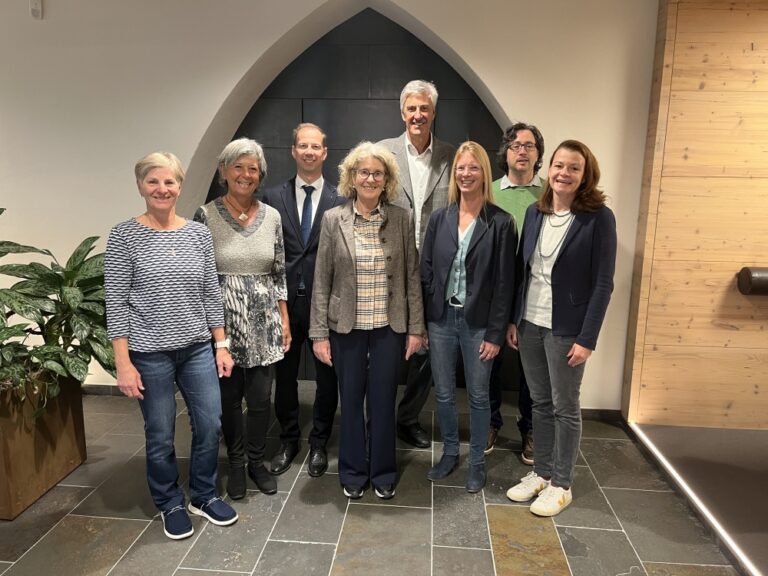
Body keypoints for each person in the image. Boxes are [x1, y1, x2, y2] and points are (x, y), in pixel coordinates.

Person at [105, 152, 238, 540]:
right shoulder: (124, 235)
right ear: (140, 186)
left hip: (197, 348)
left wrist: (222, 345)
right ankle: (169, 502)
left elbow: (210, 292)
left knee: (210, 423)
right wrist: (123, 363)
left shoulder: (197, 233)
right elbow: (115, 300)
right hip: (149, 353)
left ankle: (203, 494)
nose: (162, 189)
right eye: (153, 182)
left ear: (180, 186)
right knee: (160, 432)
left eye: (169, 182)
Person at [505, 140, 617, 516]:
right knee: (539, 402)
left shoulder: (598, 218)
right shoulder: (536, 213)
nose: (563, 173)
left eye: (573, 168)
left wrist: (588, 339)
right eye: (559, 166)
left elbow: (603, 284)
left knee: (565, 407)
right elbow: (524, 272)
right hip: (531, 323)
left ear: (585, 175)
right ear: (548, 169)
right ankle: (542, 472)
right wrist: (515, 319)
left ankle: (562, 483)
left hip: (567, 330)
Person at [309, 141, 425, 500]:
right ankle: (354, 471)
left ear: (386, 179)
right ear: (352, 177)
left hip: (389, 326)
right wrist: (318, 334)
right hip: (346, 327)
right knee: (351, 398)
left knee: (382, 400)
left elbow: (412, 276)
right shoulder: (333, 219)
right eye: (364, 172)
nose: (370, 178)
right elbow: (321, 279)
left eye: (377, 173)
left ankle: (384, 470)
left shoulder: (402, 218)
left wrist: (416, 329)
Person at [193, 138, 290, 499]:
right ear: (224, 172)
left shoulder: (273, 217)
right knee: (230, 399)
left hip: (265, 321)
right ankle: (235, 464)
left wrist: (284, 319)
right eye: (238, 167)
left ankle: (256, 462)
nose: (245, 175)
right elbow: (200, 274)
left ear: (260, 174)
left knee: (262, 399)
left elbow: (279, 271)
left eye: (252, 168)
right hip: (223, 324)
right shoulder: (205, 216)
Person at [421, 142, 517, 493]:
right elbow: (426, 270)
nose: (465, 174)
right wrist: (427, 318)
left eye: (473, 168)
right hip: (441, 320)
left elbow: (506, 284)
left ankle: (476, 461)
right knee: (443, 393)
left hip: (479, 325)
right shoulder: (439, 219)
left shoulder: (502, 224)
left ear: (483, 174)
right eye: (461, 168)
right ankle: (449, 453)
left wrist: (495, 334)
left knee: (478, 396)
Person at [262, 124, 345, 478]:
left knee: (328, 380)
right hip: (283, 305)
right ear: (293, 151)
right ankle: (289, 439)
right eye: (303, 146)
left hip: (325, 305)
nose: (309, 152)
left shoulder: (341, 199)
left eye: (316, 146)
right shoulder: (271, 197)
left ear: (325, 153)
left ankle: (319, 442)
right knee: (285, 377)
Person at [379, 79, 455, 449]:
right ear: (402, 112)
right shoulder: (381, 153)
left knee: (427, 349)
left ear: (434, 112)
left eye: (424, 108)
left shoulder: (452, 157)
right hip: (388, 268)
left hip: (434, 273)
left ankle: (408, 418)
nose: (418, 115)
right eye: (412, 108)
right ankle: (377, 416)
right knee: (385, 346)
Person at [485, 122, 545, 464]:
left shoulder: (550, 193)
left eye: (529, 145)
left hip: (535, 293)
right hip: (494, 293)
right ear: (505, 153)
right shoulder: (490, 192)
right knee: (489, 361)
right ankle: (491, 422)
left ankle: (530, 428)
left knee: (531, 367)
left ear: (538, 154)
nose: (522, 151)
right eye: (515, 145)